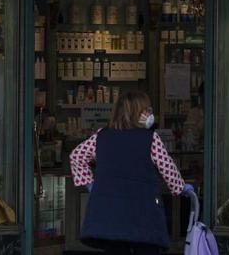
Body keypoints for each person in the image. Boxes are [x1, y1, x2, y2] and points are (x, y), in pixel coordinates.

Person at [69, 91, 194, 255]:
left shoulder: (101, 136)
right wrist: (180, 187)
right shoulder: (150, 139)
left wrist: (90, 184)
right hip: (143, 214)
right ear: (139, 113)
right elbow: (167, 166)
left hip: (110, 215)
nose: (149, 113)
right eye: (147, 110)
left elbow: (76, 156)